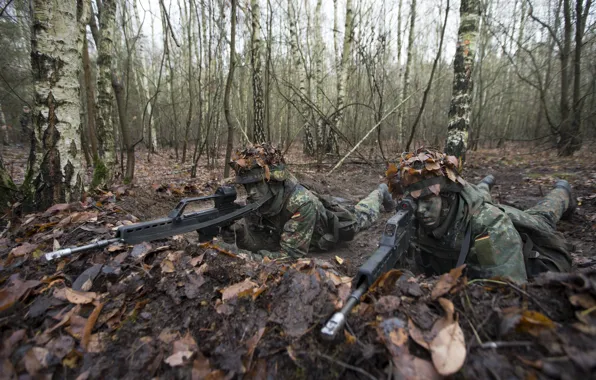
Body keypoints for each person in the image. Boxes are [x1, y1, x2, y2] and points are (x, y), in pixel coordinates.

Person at [386, 148, 574, 283]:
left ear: (447, 196)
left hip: (514, 231)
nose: (420, 210)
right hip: (469, 205)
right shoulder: (414, 218)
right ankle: (485, 183)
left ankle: (562, 190)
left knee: (543, 216)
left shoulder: (489, 224)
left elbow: (505, 289)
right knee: (480, 193)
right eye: (415, 202)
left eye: (427, 200)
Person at [223, 143, 396, 259]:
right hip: (301, 222)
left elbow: (289, 257)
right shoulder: (259, 201)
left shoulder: (300, 203)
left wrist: (241, 257)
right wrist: (242, 235)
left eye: (256, 185)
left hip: (332, 229)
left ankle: (381, 191)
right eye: (247, 186)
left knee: (363, 213)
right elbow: (265, 242)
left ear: (273, 181)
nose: (250, 192)